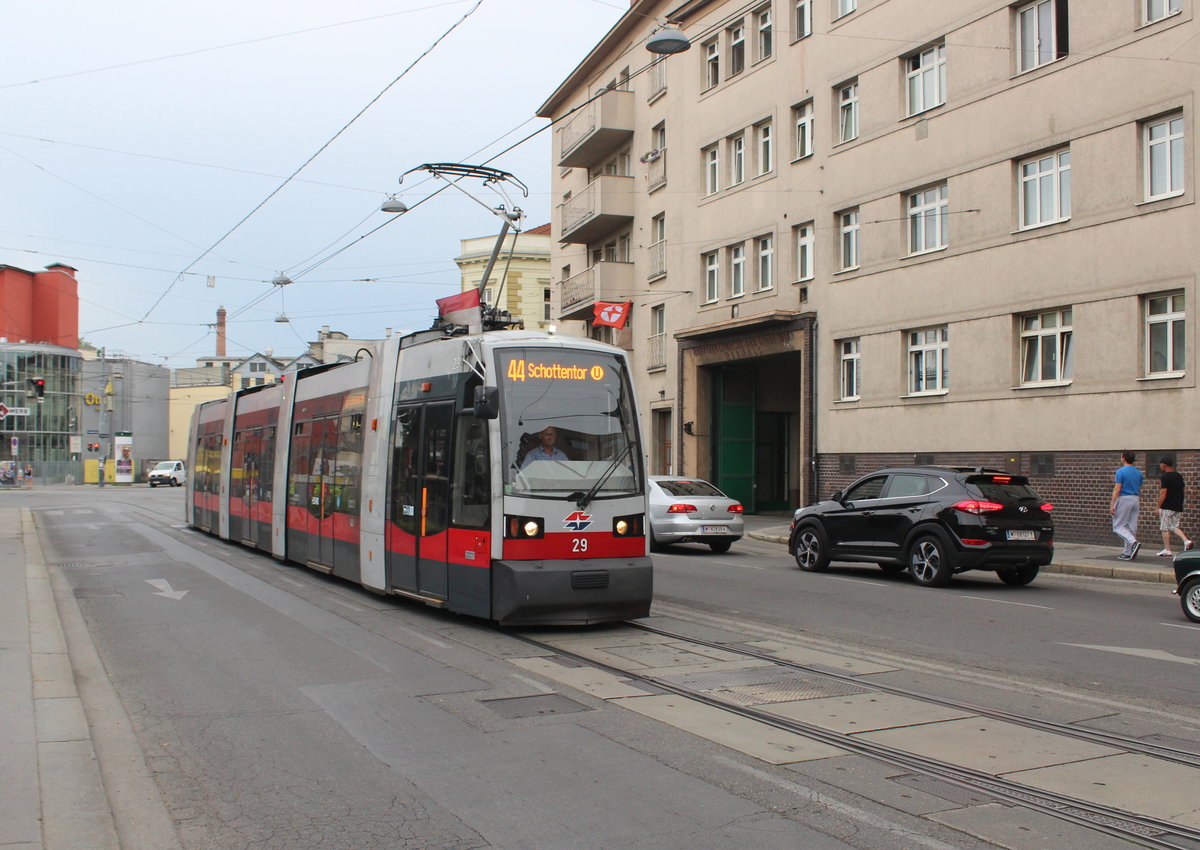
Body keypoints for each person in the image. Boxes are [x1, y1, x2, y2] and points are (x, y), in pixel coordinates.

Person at [1156, 456, 1193, 557]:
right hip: (1178, 506)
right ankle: (1186, 541)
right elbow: (1182, 490)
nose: (1160, 466)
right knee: (1174, 526)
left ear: (1164, 464)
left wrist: (1158, 507)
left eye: (1160, 464)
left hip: (1167, 506)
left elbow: (1163, 493)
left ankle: (1167, 549)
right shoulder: (1179, 476)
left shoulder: (1165, 477)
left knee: (1165, 528)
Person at [1110, 450, 1143, 560]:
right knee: (1131, 526)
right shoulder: (1138, 473)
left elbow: (1117, 489)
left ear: (1123, 458)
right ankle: (1127, 552)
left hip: (1124, 498)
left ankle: (1133, 542)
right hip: (1135, 498)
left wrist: (1112, 505)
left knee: (1118, 526)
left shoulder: (1121, 471)